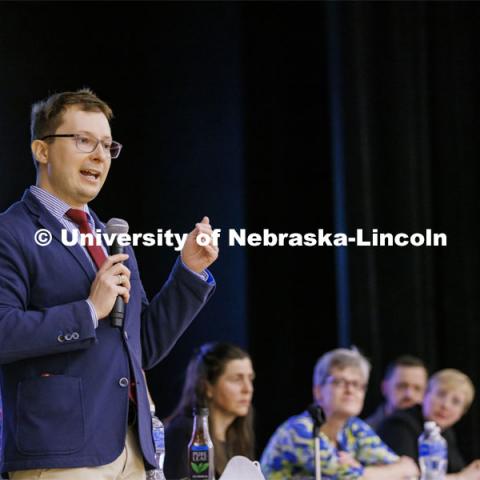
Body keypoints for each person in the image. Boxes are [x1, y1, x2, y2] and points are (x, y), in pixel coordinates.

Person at [0, 89, 218, 479]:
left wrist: (188, 272)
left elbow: (143, 345)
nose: (100, 155)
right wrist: (87, 311)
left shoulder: (112, 237)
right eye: (83, 141)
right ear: (42, 150)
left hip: (131, 448)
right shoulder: (10, 233)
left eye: (107, 145)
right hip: (58, 454)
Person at [260, 348, 419, 480]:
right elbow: (350, 478)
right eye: (339, 382)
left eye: (357, 384)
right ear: (318, 391)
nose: (350, 390)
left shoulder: (354, 427)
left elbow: (409, 470)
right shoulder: (299, 430)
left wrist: (362, 470)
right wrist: (366, 472)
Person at [164, 342, 255, 478]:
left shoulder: (237, 438)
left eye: (250, 379)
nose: (248, 389)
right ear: (207, 387)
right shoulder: (184, 435)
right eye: (237, 379)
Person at [377, 369, 480, 479]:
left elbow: (453, 469)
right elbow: (406, 478)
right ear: (424, 395)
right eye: (441, 394)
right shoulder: (399, 424)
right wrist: (462, 477)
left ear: (462, 412)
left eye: (455, 401)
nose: (445, 405)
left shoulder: (446, 433)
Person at [365, 355, 428, 431]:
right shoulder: (364, 433)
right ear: (384, 388)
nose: (409, 394)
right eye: (402, 386)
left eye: (417, 388)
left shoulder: (432, 433)